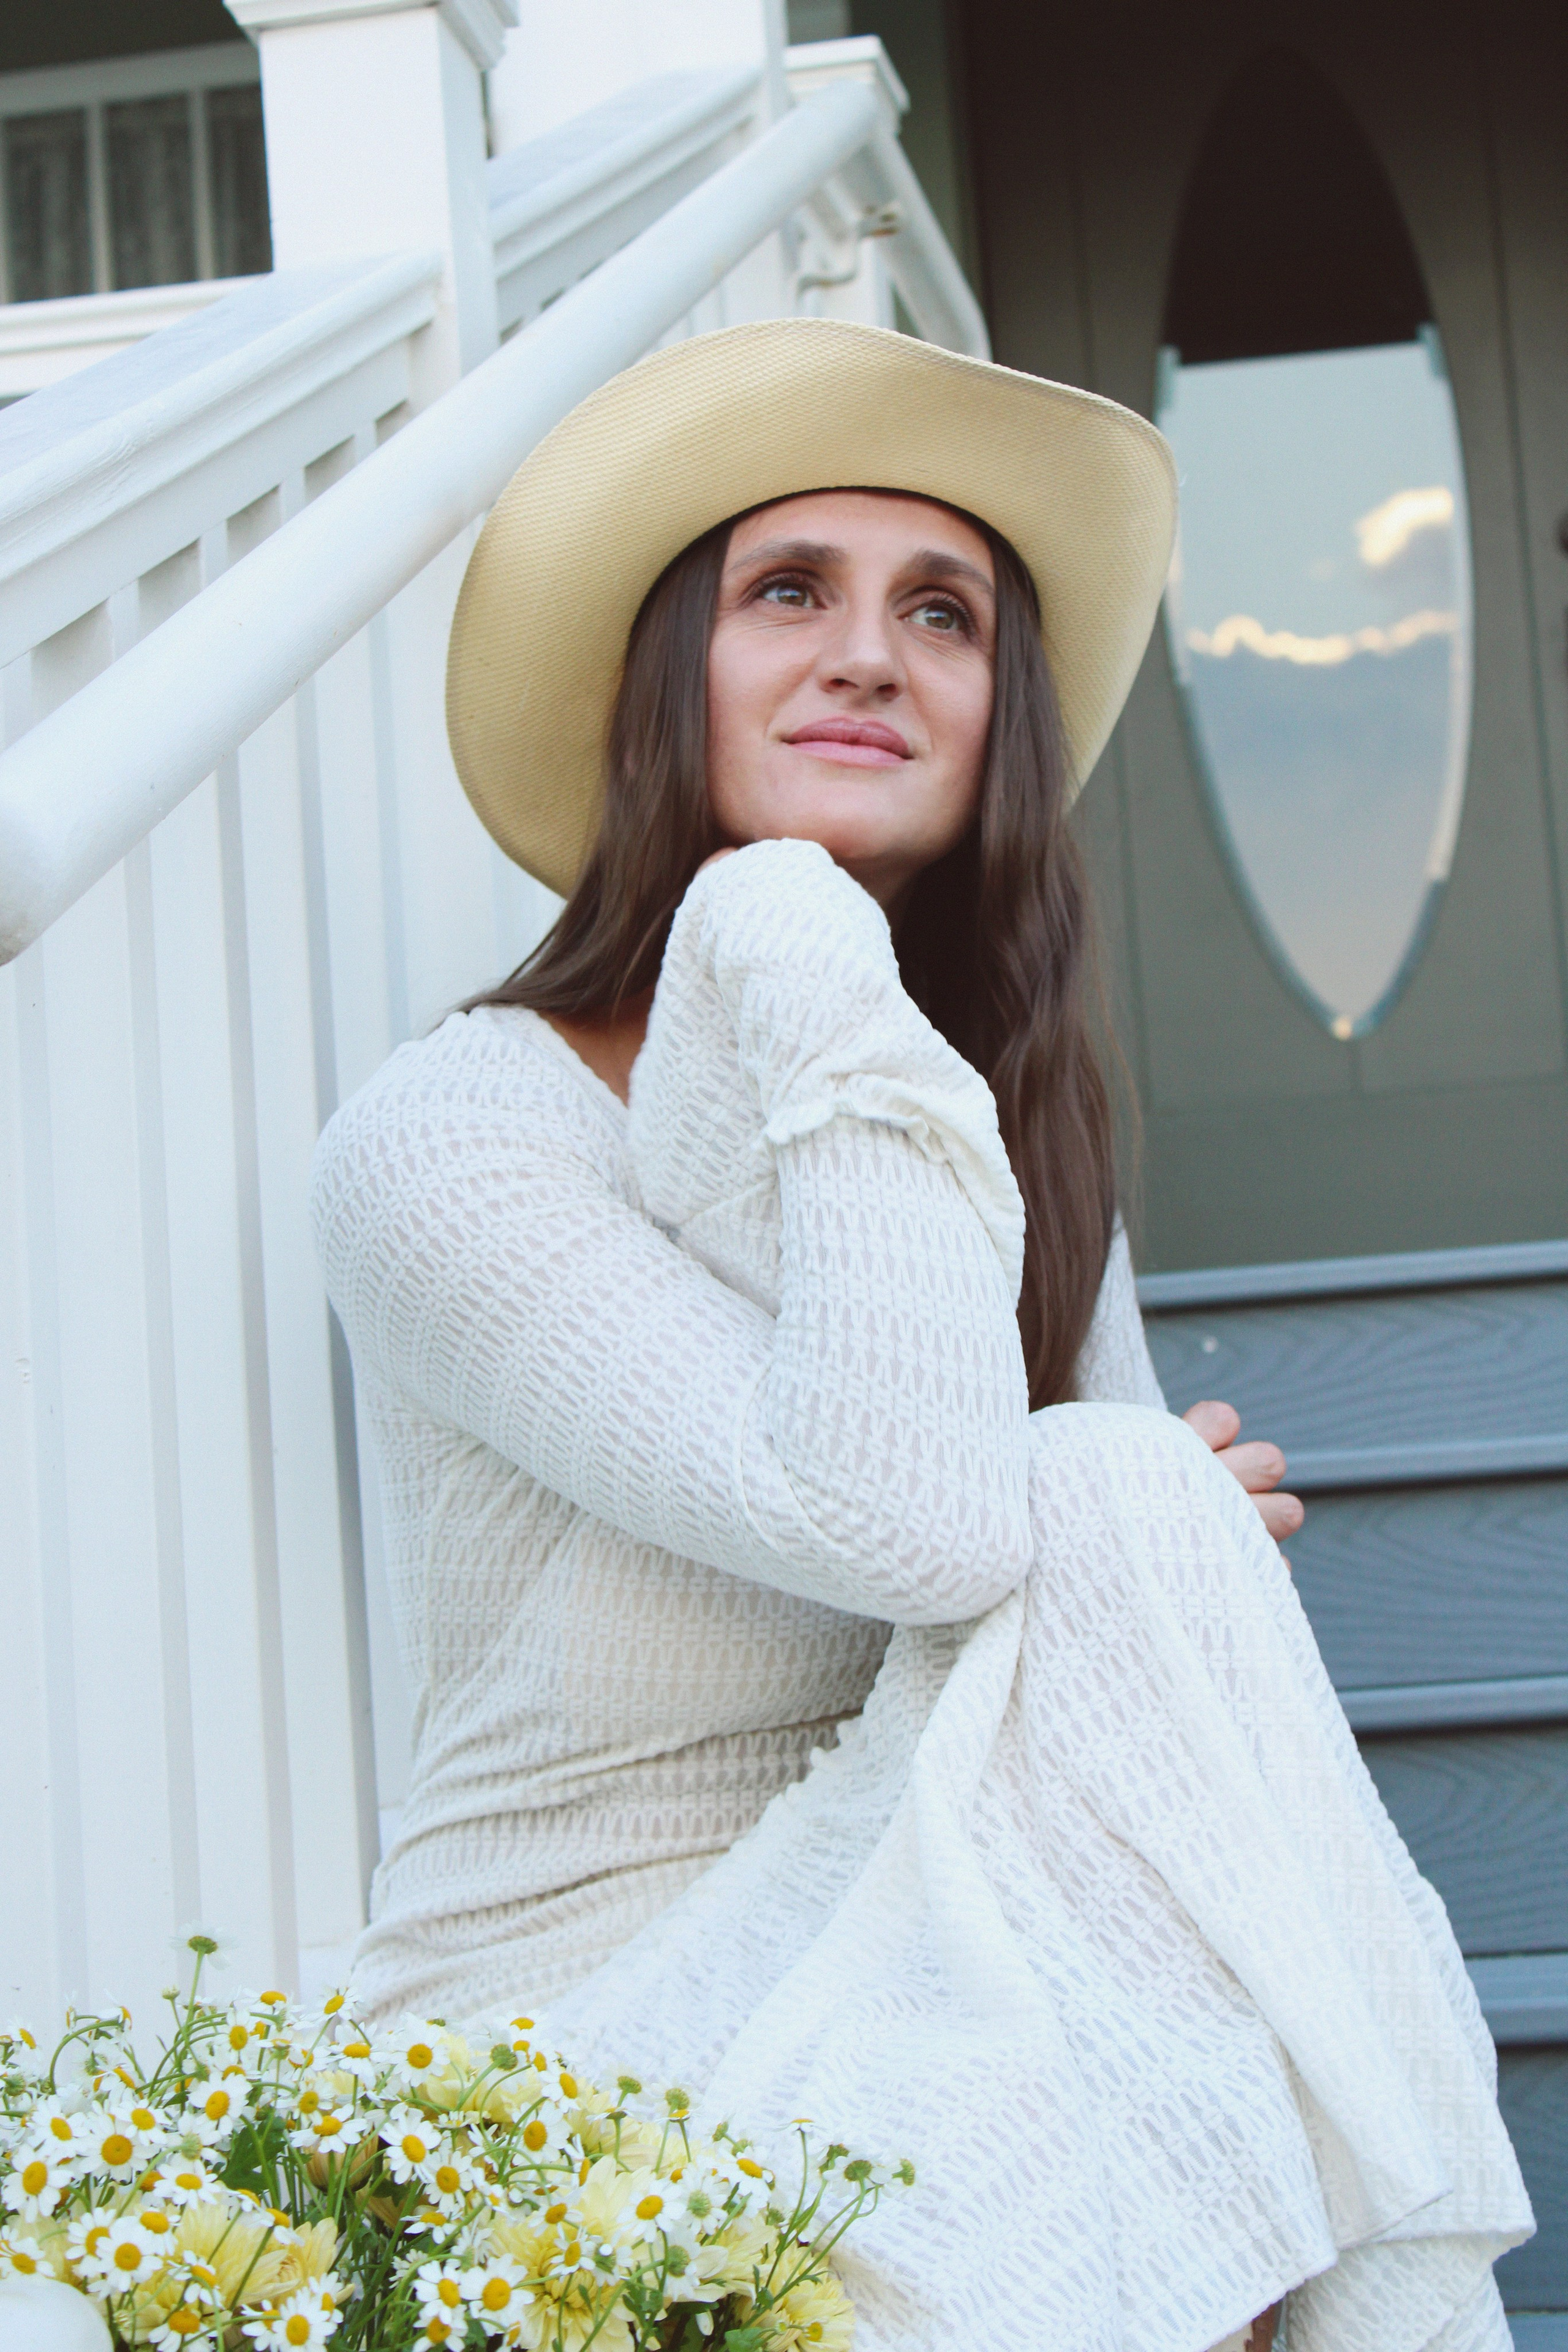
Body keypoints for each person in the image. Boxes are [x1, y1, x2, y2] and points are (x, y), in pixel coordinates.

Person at [312, 318, 1531, 2352]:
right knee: (1117, 1498)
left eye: (944, 615)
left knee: (1123, 1512)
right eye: (791, 593)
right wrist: (780, 930)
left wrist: (1107, 1510)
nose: (874, 656)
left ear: (998, 720)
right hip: (583, 2048)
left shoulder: (978, 1130)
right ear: (660, 682)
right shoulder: (454, 1136)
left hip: (950, 1947)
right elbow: (921, 1531)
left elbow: (1073, 1605)